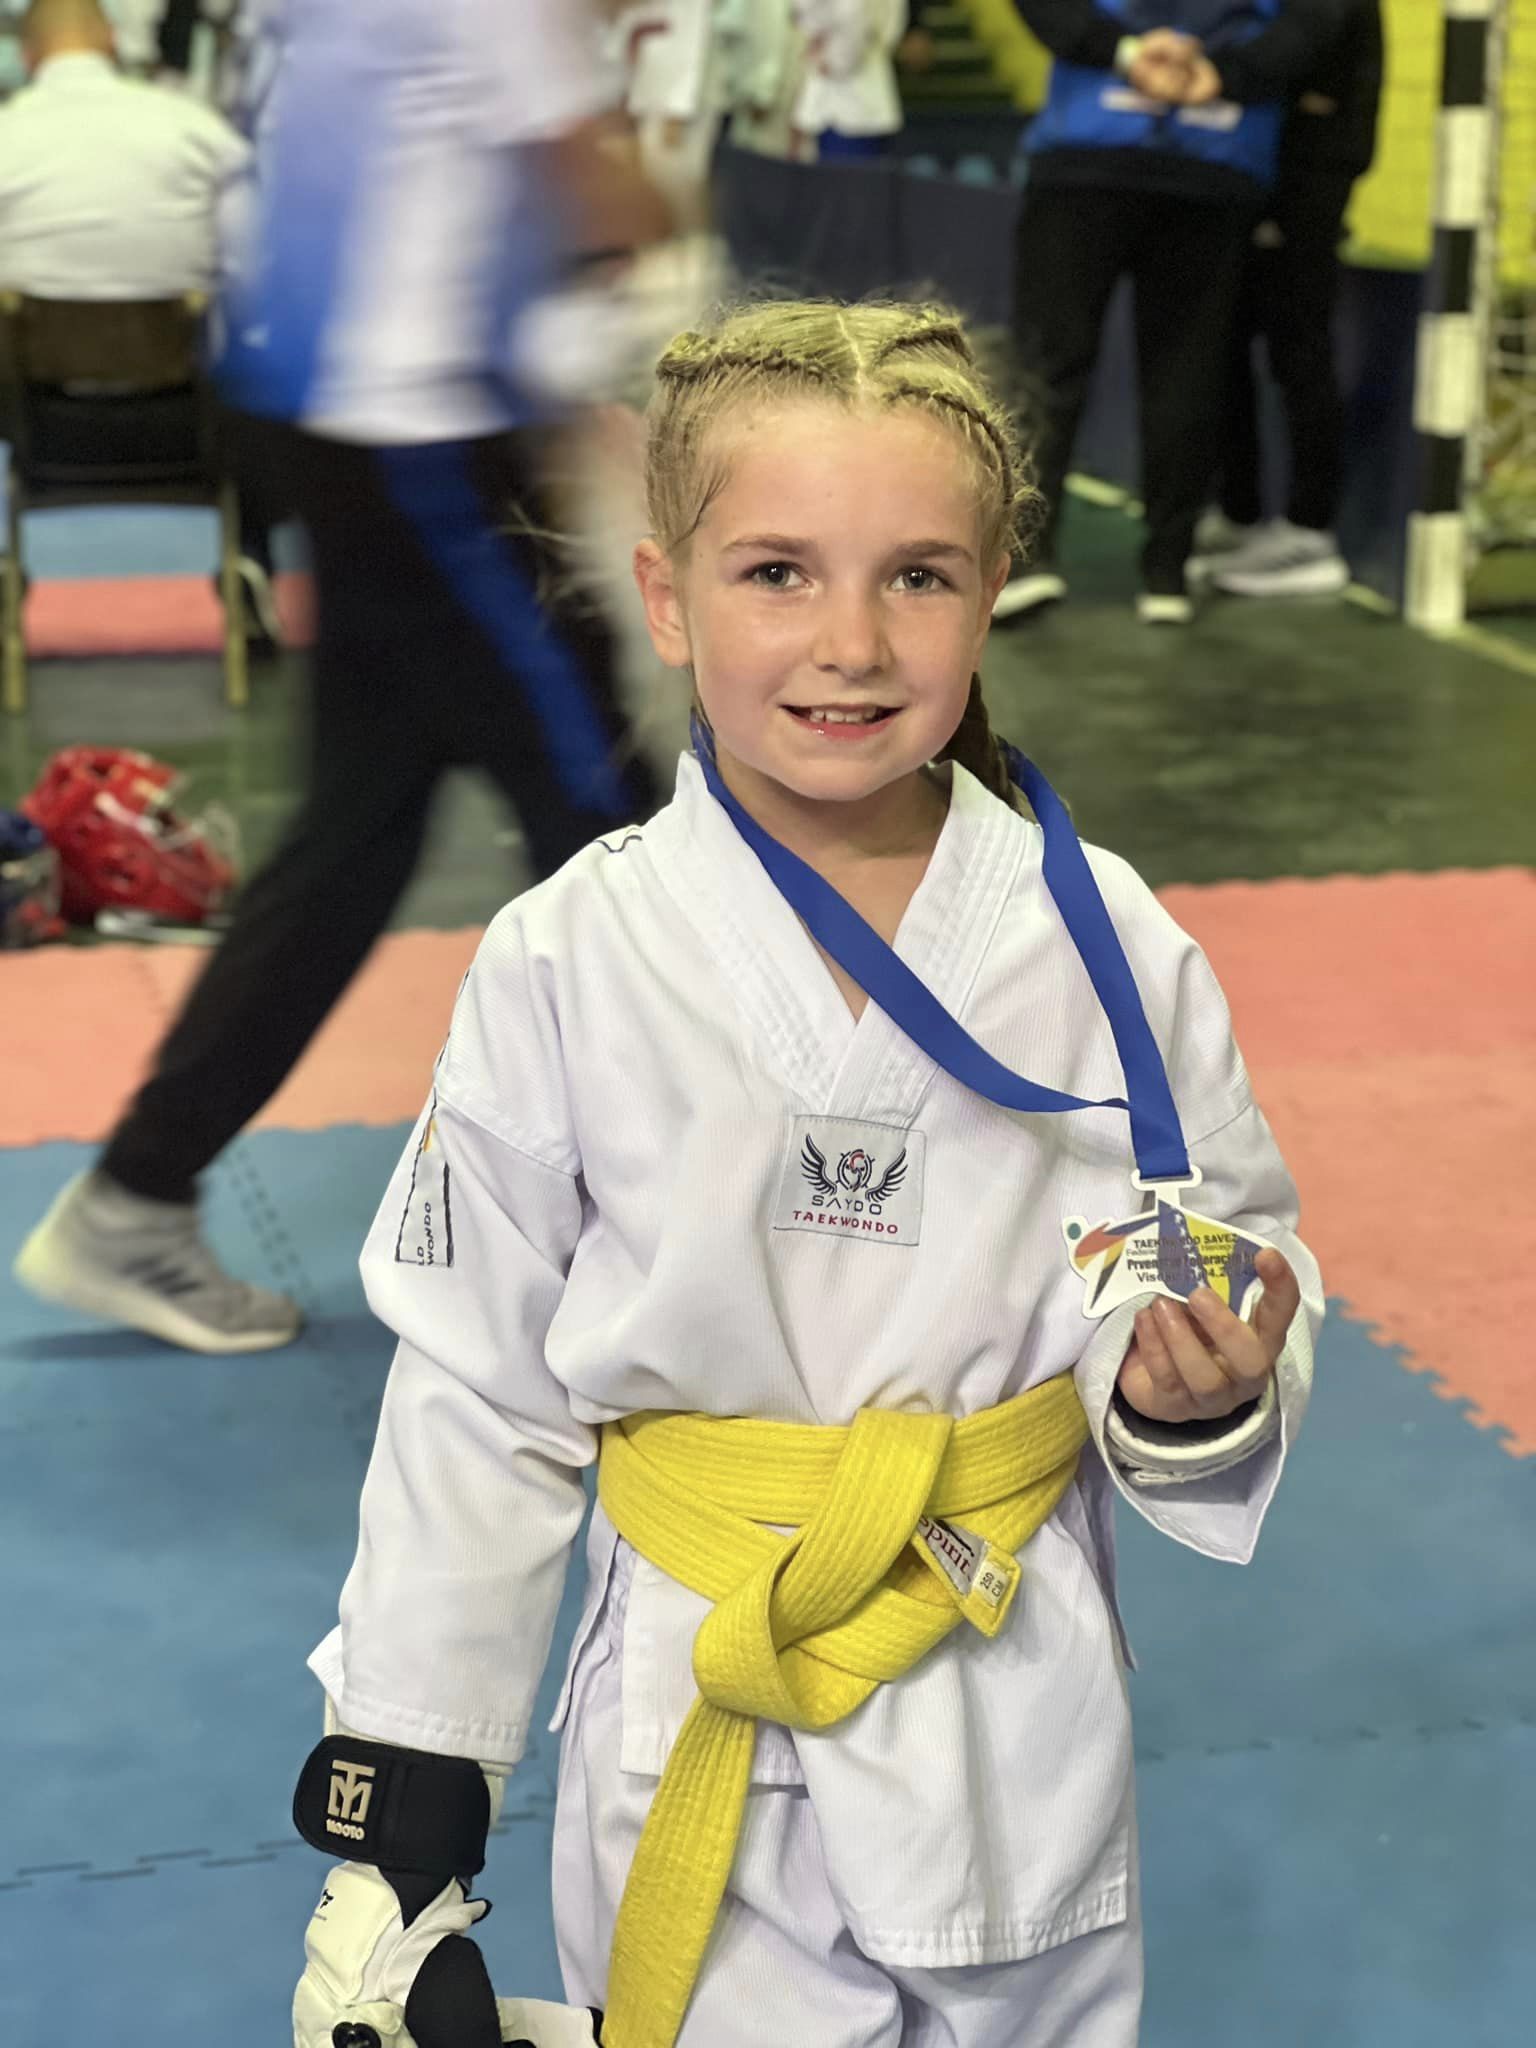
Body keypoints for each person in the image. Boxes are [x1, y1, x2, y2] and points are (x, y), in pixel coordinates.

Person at [284, 299, 1322, 2048]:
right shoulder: (571, 955)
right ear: (666, 594)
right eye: (776, 572)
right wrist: (400, 1831)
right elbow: (476, 1389)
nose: (851, 641)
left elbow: (1215, 1253)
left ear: (993, 590)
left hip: (1008, 1696)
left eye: (918, 575)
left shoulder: (1106, 943)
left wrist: (1197, 1391)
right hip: (700, 1695)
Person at [13, 0, 669, 1356]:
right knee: (611, 820)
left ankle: (139, 1191)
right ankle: (713, 1218)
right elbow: (598, 182)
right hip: (418, 440)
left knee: (357, 838)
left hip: (334, 421)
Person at [994, 0, 1344, 626]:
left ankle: (1026, 560)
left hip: (1093, 155)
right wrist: (1224, 72)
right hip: (1215, 162)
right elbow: (1315, 22)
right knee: (1186, 370)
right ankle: (1167, 573)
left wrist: (1127, 54)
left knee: (1050, 364)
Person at [0, 0, 278, 636]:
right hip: (192, 414)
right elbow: (263, 261)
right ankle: (249, 560)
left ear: (28, 56)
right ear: (112, 44)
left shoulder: (6, 135)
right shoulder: (193, 129)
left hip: (32, 418)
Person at [1199, 0, 1383, 598]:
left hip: (1309, 181)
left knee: (1299, 346)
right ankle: (1240, 513)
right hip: (1262, 173)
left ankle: (1310, 531)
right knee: (1227, 346)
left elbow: (1296, 46)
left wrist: (1204, 70)